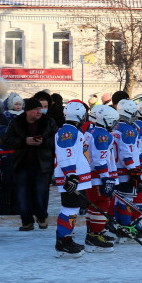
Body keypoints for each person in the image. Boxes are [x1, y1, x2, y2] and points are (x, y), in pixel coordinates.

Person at [1, 97, 57, 231]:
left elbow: (57, 139)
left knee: (40, 192)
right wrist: (24, 141)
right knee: (22, 194)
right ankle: (26, 221)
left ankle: (42, 216)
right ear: (27, 111)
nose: (39, 111)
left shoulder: (48, 121)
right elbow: (6, 139)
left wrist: (43, 142)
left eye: (40, 108)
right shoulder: (16, 122)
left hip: (42, 164)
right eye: (36, 109)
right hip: (22, 164)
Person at [52, 101, 92, 257]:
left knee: (73, 209)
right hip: (71, 178)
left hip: (74, 177)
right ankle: (62, 241)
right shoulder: (68, 131)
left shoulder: (73, 130)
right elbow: (65, 153)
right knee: (69, 208)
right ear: (80, 116)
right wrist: (71, 175)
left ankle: (66, 238)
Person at [81, 105, 119, 251]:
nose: (115, 125)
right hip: (97, 177)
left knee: (94, 206)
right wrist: (106, 178)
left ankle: (95, 231)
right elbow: (99, 160)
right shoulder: (103, 135)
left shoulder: (91, 131)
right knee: (101, 204)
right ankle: (95, 235)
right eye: (113, 121)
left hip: (91, 177)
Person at [113, 99, 142, 240]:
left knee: (120, 200)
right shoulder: (129, 130)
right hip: (126, 170)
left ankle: (121, 227)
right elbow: (127, 153)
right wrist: (134, 169)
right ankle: (126, 228)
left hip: (117, 170)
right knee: (126, 200)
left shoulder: (115, 127)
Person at [0, 92, 24, 215]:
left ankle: (14, 212)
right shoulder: (0, 149)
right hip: (4, 178)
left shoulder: (18, 148)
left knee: (16, 195)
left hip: (16, 176)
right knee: (4, 196)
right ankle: (4, 213)